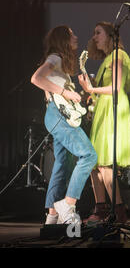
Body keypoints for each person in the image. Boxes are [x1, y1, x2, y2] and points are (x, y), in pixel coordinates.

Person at [30, 26, 98, 224]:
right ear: (63, 40)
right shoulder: (55, 58)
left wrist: (79, 95)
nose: (76, 37)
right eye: (71, 35)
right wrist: (66, 92)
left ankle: (52, 215)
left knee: (62, 165)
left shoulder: (59, 62)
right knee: (89, 155)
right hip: (57, 116)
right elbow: (36, 78)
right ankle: (67, 205)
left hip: (57, 116)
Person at [78, 21, 130, 224]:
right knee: (95, 164)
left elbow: (116, 87)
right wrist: (92, 96)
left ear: (110, 36)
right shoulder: (108, 59)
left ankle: (119, 212)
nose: (94, 37)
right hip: (104, 110)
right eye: (94, 33)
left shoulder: (118, 55)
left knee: (104, 164)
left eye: (98, 33)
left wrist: (91, 90)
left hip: (113, 111)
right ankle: (101, 208)